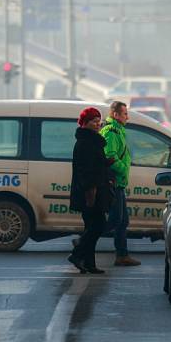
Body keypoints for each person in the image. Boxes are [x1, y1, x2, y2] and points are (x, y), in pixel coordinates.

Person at [68, 107, 113, 274]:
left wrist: (106, 162)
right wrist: (90, 192)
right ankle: (77, 252)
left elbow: (95, 164)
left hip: (94, 190)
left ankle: (88, 263)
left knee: (91, 227)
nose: (97, 124)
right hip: (90, 192)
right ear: (85, 123)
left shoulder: (92, 140)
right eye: (93, 121)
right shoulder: (87, 142)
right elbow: (86, 170)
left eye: (98, 121)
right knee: (98, 225)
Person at [100, 101, 140, 267]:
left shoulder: (119, 131)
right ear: (115, 115)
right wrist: (123, 169)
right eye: (125, 114)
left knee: (122, 221)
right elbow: (110, 155)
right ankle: (84, 240)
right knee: (116, 220)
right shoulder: (111, 132)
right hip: (114, 182)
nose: (127, 117)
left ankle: (122, 255)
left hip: (119, 183)